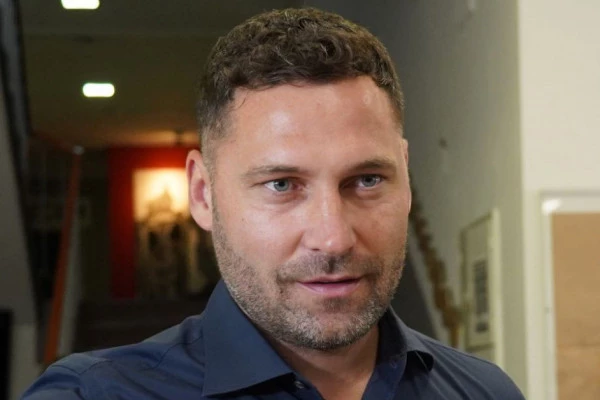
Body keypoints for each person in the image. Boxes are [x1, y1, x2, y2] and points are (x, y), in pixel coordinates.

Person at [22, 7, 525, 400]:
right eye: (282, 185)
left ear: (406, 179)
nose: (333, 237)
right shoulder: (93, 395)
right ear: (203, 194)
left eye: (367, 180)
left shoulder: (485, 392)